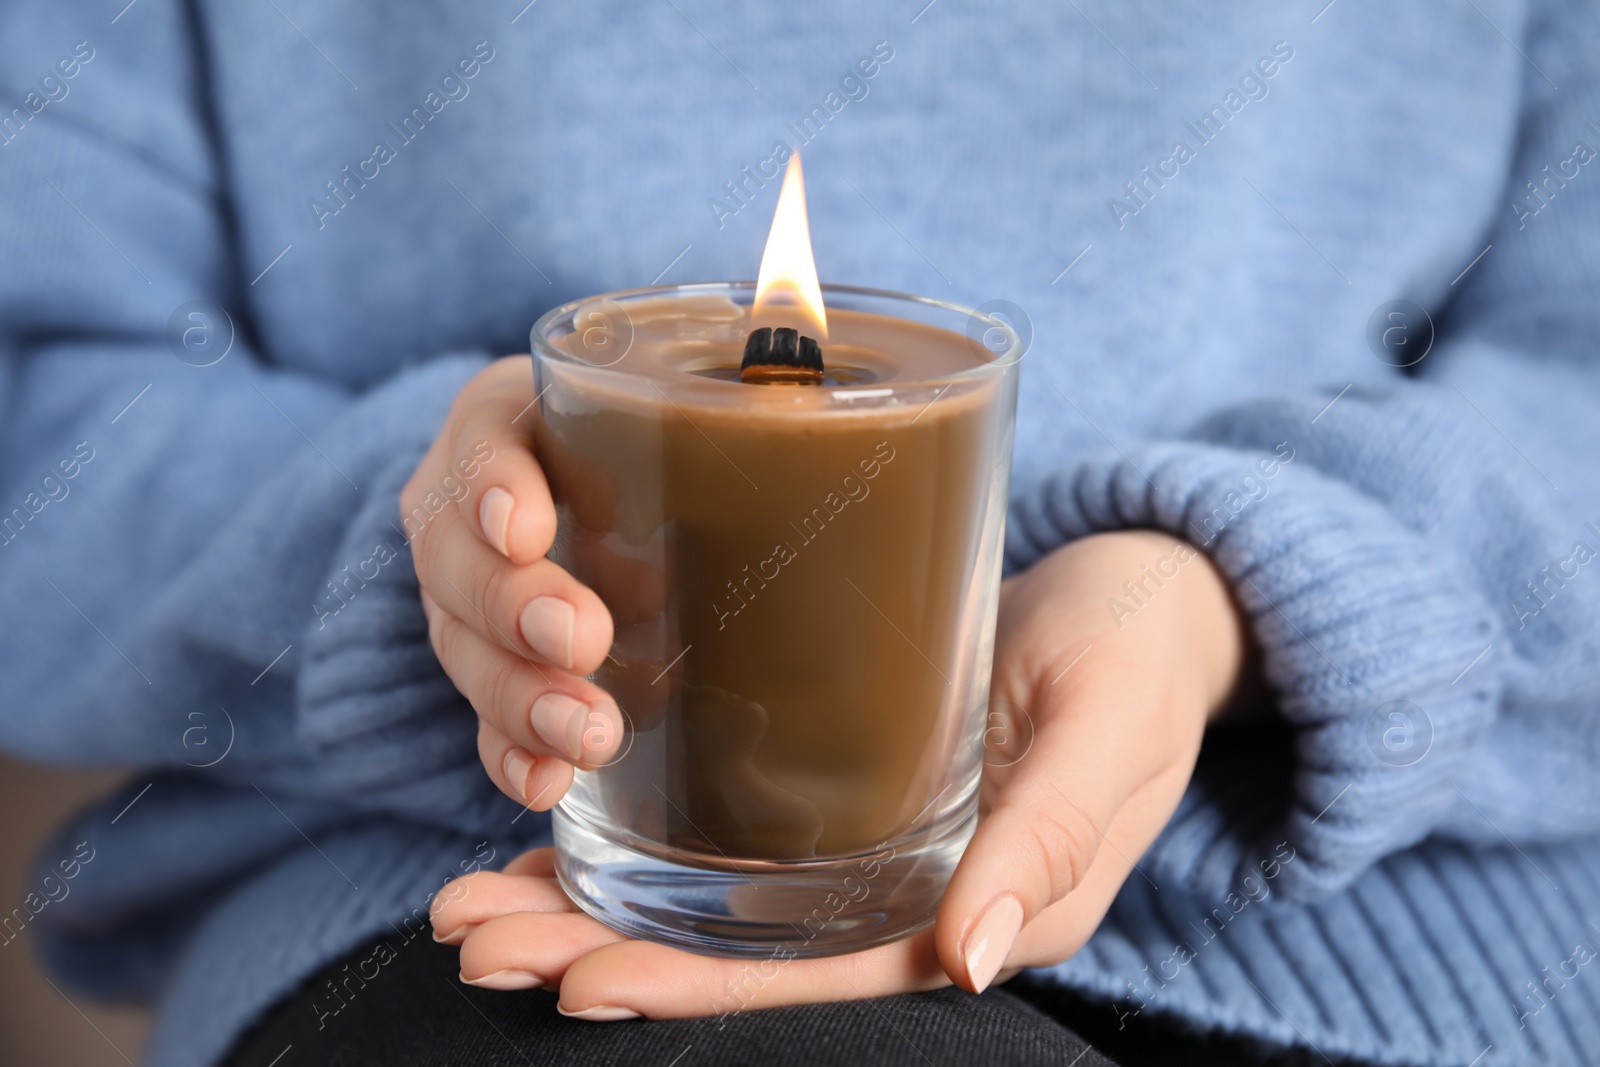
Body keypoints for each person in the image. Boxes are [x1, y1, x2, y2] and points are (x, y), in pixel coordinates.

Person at [2, 1, 1598, 1065]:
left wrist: (1241, 594)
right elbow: (45, 415)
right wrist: (445, 574)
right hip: (478, 904)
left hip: (1429, 942)